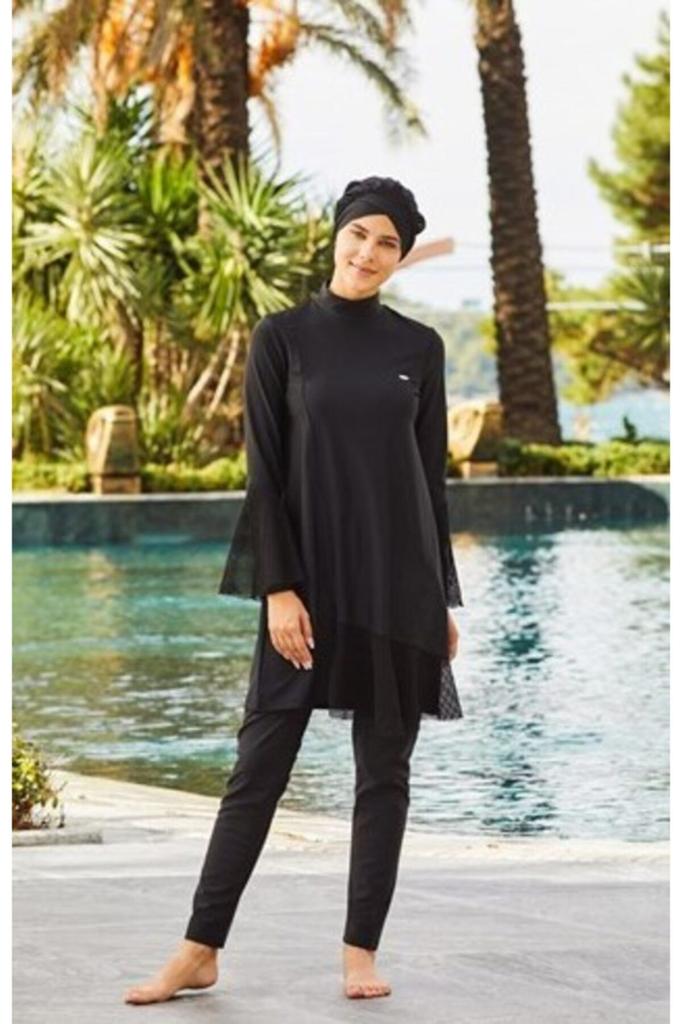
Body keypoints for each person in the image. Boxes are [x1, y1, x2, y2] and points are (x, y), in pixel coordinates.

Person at [123, 175, 464, 1006]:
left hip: (397, 589)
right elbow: (265, 474)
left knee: (383, 776)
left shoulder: (419, 348)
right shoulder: (281, 338)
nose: (368, 253)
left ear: (401, 256)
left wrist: (443, 599)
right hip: (307, 591)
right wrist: (279, 587)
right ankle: (199, 948)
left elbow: (430, 480)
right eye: (359, 234)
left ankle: (359, 954)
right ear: (336, 235)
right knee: (258, 769)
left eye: (387, 243)